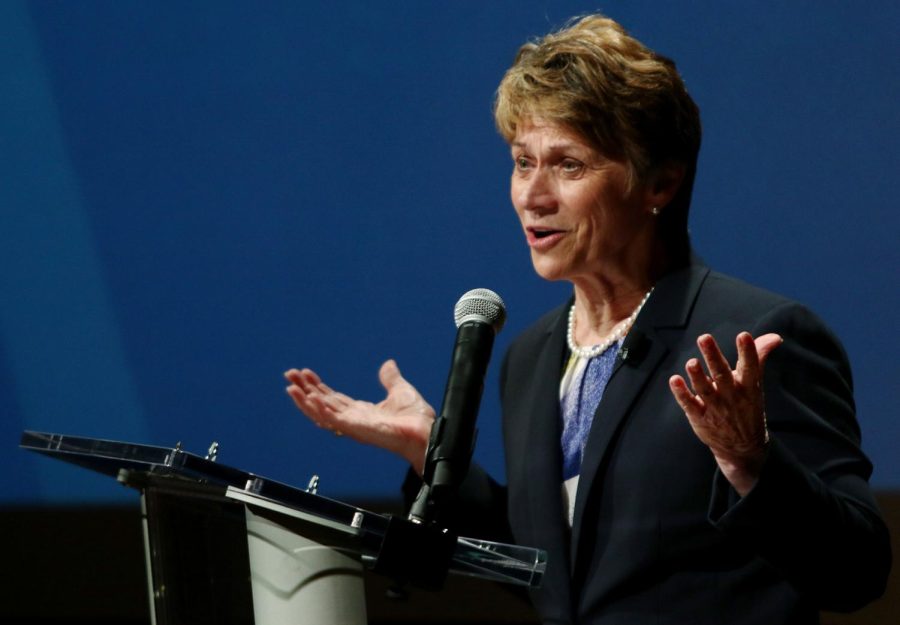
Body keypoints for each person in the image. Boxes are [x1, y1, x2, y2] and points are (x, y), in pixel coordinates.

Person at [284, 14, 890, 625]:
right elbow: (559, 577)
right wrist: (430, 454)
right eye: (523, 162)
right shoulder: (532, 355)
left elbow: (857, 570)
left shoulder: (751, 339)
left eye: (569, 165)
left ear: (660, 181)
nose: (532, 195)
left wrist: (751, 462)